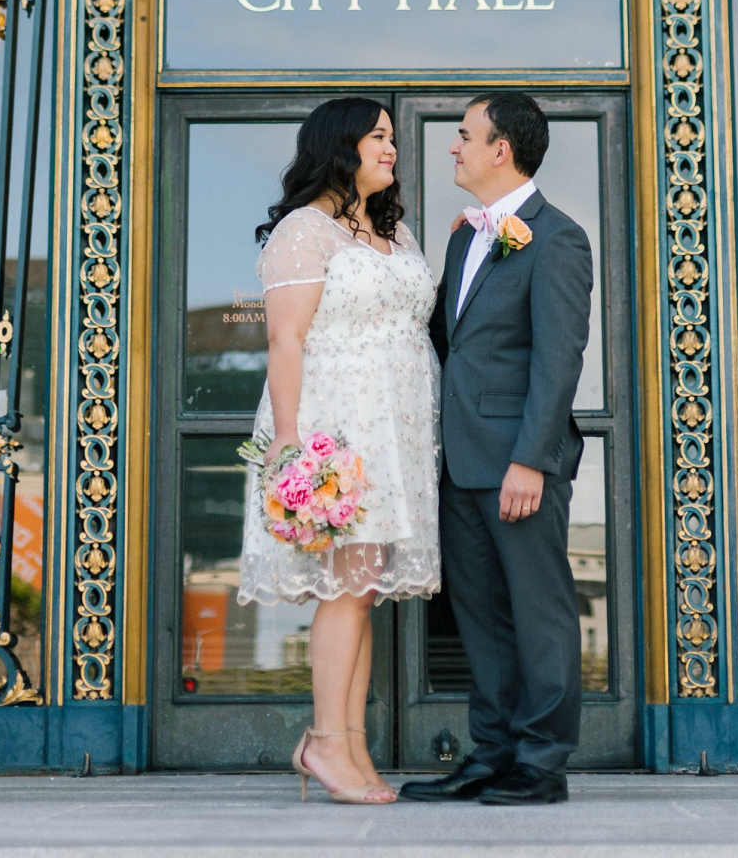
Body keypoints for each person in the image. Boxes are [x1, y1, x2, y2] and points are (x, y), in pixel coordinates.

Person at [239, 97, 442, 804]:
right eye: (379, 137)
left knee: (365, 591)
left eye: (390, 138)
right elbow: (285, 340)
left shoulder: (398, 234)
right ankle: (325, 743)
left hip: (399, 431)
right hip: (338, 426)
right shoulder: (305, 230)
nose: (392, 148)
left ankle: (349, 746)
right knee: (346, 589)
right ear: (341, 145)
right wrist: (292, 445)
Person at [400, 92, 592, 806]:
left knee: (538, 613)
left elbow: (558, 360)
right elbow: (452, 343)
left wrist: (529, 460)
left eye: (463, 135)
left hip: (518, 463)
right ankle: (492, 753)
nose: (453, 146)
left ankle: (542, 763)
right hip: (459, 462)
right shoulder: (464, 236)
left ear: (500, 149)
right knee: (479, 617)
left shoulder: (559, 237)